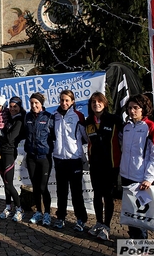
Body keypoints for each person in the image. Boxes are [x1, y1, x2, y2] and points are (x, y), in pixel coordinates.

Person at [120, 94, 154, 239]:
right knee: (130, 212)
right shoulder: (126, 127)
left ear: (143, 109)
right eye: (130, 108)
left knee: (140, 214)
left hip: (140, 179)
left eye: (135, 108)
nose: (132, 111)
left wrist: (148, 178)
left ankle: (142, 246)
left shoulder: (151, 127)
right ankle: (133, 239)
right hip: (126, 175)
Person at [84, 92, 122, 240]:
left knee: (108, 196)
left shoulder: (114, 120)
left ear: (104, 104)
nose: (96, 104)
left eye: (99, 102)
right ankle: (99, 223)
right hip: (95, 165)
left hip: (111, 165)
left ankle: (106, 226)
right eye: (93, 102)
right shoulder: (88, 122)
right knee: (97, 195)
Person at [52, 90, 88, 231]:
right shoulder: (54, 116)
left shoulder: (78, 116)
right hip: (59, 158)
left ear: (72, 101)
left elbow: (85, 137)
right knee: (61, 192)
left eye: (67, 100)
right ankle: (60, 218)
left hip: (74, 159)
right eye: (62, 100)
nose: (64, 103)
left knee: (76, 192)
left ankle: (81, 219)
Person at [24, 92, 54, 225]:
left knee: (43, 187)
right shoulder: (27, 116)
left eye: (36, 103)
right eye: (32, 103)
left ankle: (47, 213)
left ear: (41, 104)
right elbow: (23, 133)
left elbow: (55, 136)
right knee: (35, 186)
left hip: (44, 157)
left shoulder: (49, 117)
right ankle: (38, 212)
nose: (34, 105)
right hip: (31, 157)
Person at [0, 96, 26, 222]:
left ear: (19, 107)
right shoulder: (8, 117)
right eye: (11, 106)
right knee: (5, 183)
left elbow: (10, 138)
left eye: (15, 106)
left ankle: (19, 209)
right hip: (1, 152)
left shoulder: (19, 120)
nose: (12, 109)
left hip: (9, 153)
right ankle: (8, 207)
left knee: (9, 184)